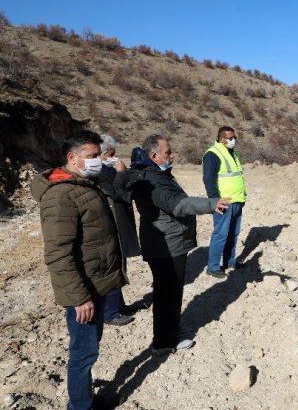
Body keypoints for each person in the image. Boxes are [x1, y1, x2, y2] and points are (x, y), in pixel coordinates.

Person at [31, 130, 126, 410]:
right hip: (84, 290)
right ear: (73, 158)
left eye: (99, 155)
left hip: (96, 283)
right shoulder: (60, 196)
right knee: (83, 353)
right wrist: (78, 298)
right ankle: (81, 406)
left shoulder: (85, 184)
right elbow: (59, 254)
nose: (98, 161)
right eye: (92, 156)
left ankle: (85, 398)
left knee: (89, 348)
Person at [120, 133, 229, 355]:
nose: (173, 155)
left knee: (167, 291)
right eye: (168, 152)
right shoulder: (153, 180)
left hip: (164, 243)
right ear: (154, 155)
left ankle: (169, 331)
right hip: (166, 246)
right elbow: (178, 205)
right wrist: (211, 204)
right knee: (168, 293)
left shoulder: (151, 174)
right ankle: (164, 341)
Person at [98, 134, 141, 326]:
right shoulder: (99, 172)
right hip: (111, 223)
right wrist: (121, 173)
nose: (114, 157)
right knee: (114, 264)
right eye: (110, 153)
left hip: (120, 219)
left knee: (121, 263)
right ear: (101, 154)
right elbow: (115, 193)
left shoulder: (108, 169)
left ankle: (119, 306)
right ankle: (110, 311)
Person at [202, 126, 246, 280]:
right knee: (220, 234)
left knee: (233, 234)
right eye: (230, 138)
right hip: (223, 203)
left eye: (235, 138)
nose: (234, 140)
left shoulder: (232, 153)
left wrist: (242, 197)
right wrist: (215, 201)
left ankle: (229, 261)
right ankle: (213, 267)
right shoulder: (213, 154)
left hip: (237, 201)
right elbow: (209, 179)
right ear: (221, 139)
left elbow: (236, 176)